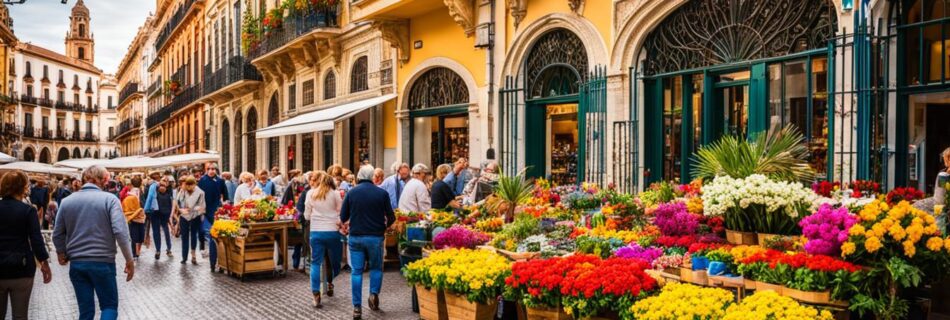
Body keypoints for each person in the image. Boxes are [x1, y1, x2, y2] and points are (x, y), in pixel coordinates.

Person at [52, 165, 134, 320]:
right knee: (109, 307)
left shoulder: (66, 201)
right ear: (103, 180)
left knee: (86, 311)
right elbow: (120, 232)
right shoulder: (110, 200)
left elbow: (57, 234)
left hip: (77, 263)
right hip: (103, 262)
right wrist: (129, 259)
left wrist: (61, 252)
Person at [340, 165, 396, 319]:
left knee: (356, 271)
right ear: (372, 176)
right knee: (376, 268)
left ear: (359, 176)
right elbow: (391, 217)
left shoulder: (351, 193)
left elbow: (343, 216)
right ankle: (373, 294)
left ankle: (357, 307)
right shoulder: (382, 193)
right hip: (375, 237)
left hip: (356, 236)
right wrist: (383, 226)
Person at [0, 171, 52, 320]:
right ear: (22, 188)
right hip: (21, 267)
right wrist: (44, 263)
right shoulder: (28, 210)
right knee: (20, 316)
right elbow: (36, 239)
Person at [304, 172, 344, 308]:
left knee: (315, 263)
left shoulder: (311, 194)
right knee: (335, 261)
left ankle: (316, 293)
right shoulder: (335, 193)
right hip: (332, 231)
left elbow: (307, 215)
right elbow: (341, 212)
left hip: (316, 232)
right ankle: (331, 280)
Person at [198, 166, 228, 272]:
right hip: (206, 213)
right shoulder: (202, 180)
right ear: (207, 170)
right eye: (209, 169)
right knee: (211, 237)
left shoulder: (220, 181)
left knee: (218, 238)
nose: (211, 171)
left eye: (213, 169)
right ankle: (212, 263)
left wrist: (224, 206)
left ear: (216, 170)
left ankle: (220, 263)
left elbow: (226, 196)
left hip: (218, 212)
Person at [173, 176, 205, 265]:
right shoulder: (182, 191)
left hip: (195, 216)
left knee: (194, 235)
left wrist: (192, 209)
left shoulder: (200, 192)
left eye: (191, 184)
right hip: (184, 216)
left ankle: (193, 255)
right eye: (187, 184)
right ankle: (184, 257)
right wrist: (180, 210)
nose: (188, 186)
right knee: (184, 237)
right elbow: (177, 203)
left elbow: (202, 206)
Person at [122, 179, 146, 260]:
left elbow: (125, 208)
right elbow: (143, 204)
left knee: (135, 237)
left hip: (135, 218)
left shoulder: (130, 196)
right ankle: (135, 253)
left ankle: (135, 253)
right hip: (138, 218)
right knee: (137, 236)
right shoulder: (137, 194)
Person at [152, 180, 174, 260]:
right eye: (161, 186)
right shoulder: (155, 195)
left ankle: (168, 249)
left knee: (166, 233)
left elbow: (170, 206)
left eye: (164, 186)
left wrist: (169, 217)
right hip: (156, 216)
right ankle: (158, 250)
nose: (162, 187)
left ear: (166, 187)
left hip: (164, 217)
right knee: (156, 233)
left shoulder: (168, 195)